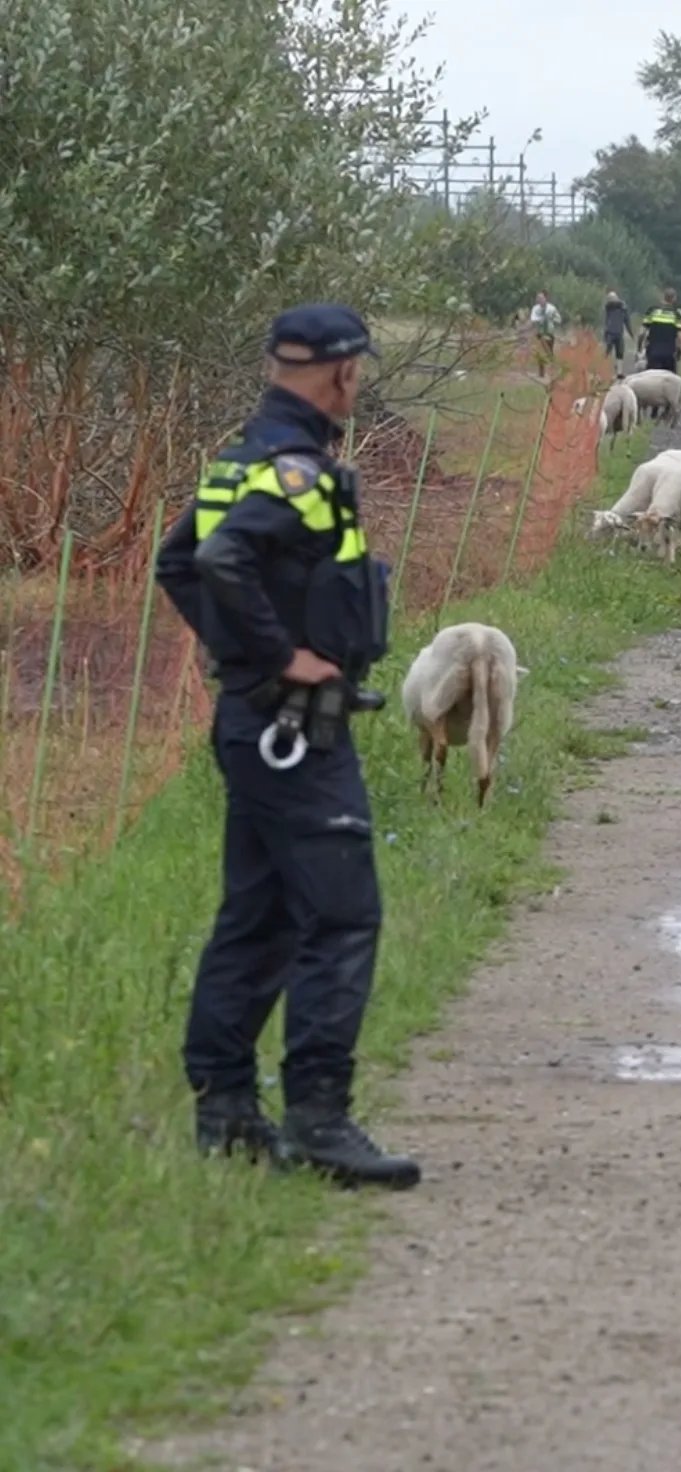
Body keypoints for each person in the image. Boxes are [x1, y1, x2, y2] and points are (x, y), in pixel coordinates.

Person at [153, 303, 418, 1188]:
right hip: (293, 729)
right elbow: (223, 560)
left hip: (255, 716)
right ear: (343, 374)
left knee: (259, 917)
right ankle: (318, 1121)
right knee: (341, 916)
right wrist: (282, 658)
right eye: (360, 374)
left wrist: (234, 658)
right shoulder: (296, 468)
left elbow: (176, 561)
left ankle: (226, 1114)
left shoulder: (240, 458)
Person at [639, 288, 681, 375]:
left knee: (652, 379)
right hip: (669, 354)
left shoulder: (652, 311)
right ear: (674, 299)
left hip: (653, 353)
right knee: (670, 380)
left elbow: (641, 333)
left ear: (663, 297)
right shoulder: (676, 314)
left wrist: (639, 348)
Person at [527, 290, 561, 378]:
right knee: (539, 353)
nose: (539, 299)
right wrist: (540, 319)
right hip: (539, 333)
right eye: (538, 298)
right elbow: (533, 319)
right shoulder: (535, 309)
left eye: (541, 298)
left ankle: (552, 372)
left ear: (546, 298)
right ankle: (541, 373)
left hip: (549, 333)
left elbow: (559, 319)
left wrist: (551, 319)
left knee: (550, 353)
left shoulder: (552, 308)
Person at [600, 290, 629, 372]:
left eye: (613, 297)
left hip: (618, 333)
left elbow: (627, 321)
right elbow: (614, 304)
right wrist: (621, 303)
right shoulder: (609, 306)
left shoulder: (622, 308)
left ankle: (619, 372)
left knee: (620, 353)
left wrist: (631, 333)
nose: (612, 299)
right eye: (611, 298)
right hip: (610, 332)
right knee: (607, 351)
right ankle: (603, 369)